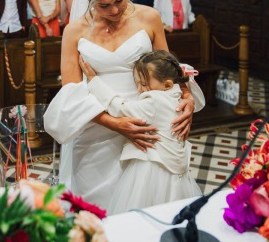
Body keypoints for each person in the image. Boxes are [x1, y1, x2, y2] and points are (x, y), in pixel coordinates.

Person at [44, 0, 199, 210]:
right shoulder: (74, 31)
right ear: (90, 0)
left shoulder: (149, 17)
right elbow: (70, 92)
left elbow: (168, 68)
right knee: (96, 211)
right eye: (104, 5)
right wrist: (116, 124)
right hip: (97, 124)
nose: (115, 10)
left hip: (146, 124)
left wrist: (186, 97)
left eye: (120, 0)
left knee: (147, 205)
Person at [79, 50, 202, 214]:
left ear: (167, 84)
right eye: (137, 82)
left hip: (153, 167)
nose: (139, 89)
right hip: (178, 170)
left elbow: (121, 108)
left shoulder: (153, 100)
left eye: (144, 84)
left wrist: (94, 81)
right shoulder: (177, 97)